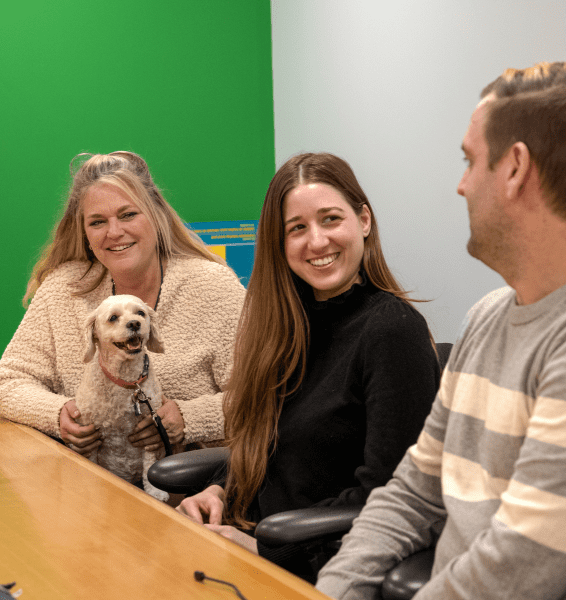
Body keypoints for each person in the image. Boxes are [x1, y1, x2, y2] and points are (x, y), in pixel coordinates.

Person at [316, 62, 566, 600]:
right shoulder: (487, 318)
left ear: (515, 168)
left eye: (470, 160)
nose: (460, 185)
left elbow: (524, 566)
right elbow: (413, 492)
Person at [176, 152, 440, 580]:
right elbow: (276, 447)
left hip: (322, 569)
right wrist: (220, 489)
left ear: (364, 221)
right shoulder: (284, 326)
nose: (316, 242)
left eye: (331, 219)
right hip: (250, 545)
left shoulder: (393, 331)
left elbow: (389, 496)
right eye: (297, 228)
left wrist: (265, 547)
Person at [0, 151, 246, 461]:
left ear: (156, 214)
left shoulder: (213, 286)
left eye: (127, 215)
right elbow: (9, 382)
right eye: (98, 221)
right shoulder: (64, 288)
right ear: (84, 232)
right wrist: (59, 415)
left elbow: (263, 397)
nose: (114, 232)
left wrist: (188, 418)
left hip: (195, 490)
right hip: (89, 486)